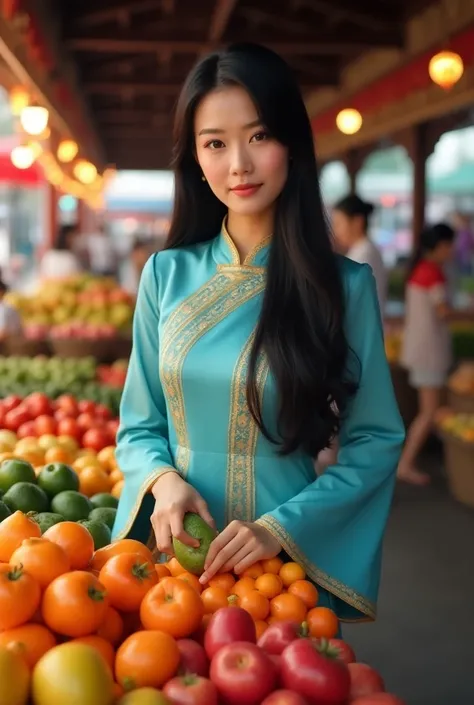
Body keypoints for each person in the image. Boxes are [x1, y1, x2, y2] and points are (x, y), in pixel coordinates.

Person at [113, 43, 405, 623]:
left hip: (283, 569)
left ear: (291, 143)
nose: (238, 165)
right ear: (195, 158)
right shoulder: (165, 275)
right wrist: (165, 482)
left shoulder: (343, 287)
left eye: (258, 136)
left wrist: (281, 529)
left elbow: (375, 440)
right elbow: (139, 427)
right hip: (173, 561)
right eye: (215, 143)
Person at [398, 223, 456, 486]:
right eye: (448, 245)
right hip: (430, 353)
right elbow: (444, 312)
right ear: (439, 246)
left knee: (434, 410)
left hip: (421, 350)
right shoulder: (433, 273)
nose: (452, 250)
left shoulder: (420, 270)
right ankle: (406, 463)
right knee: (429, 412)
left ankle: (444, 461)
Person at [332, 194, 387, 314]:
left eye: (339, 224)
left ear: (358, 222)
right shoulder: (363, 251)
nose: (336, 231)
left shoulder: (364, 255)